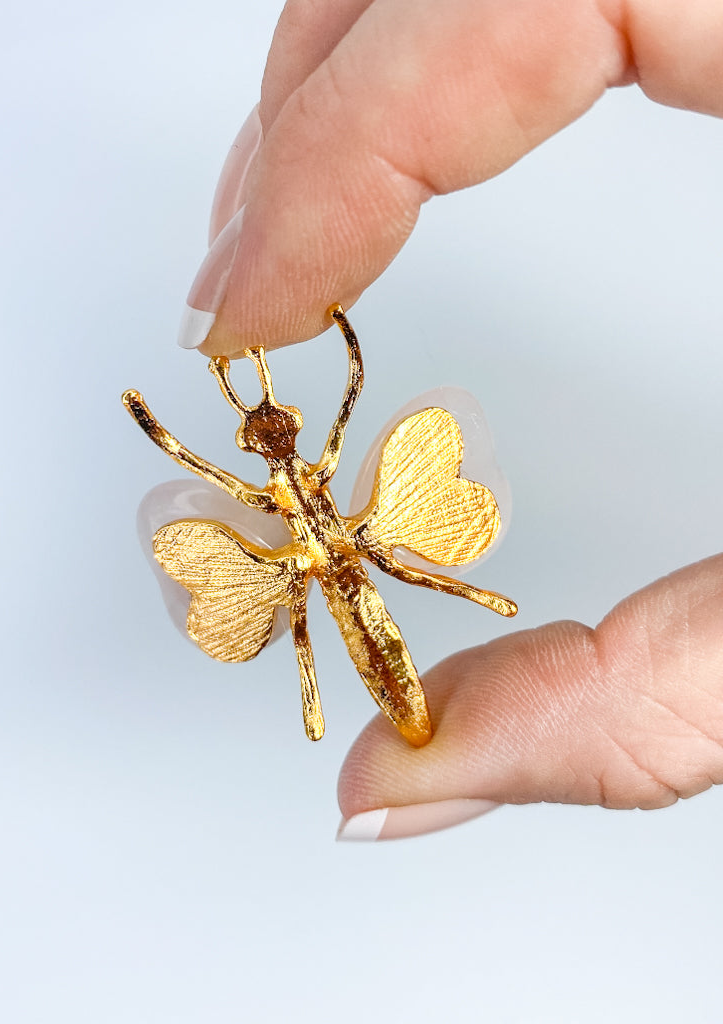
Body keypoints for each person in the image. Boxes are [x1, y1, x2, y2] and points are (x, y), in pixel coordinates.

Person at [176, 0, 723, 840]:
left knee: (372, 589)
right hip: (343, 563)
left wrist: (347, 359)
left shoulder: (305, 476)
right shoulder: (297, 490)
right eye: (267, 437)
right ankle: (330, 682)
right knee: (317, 622)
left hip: (352, 555)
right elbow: (279, 449)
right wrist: (170, 439)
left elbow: (346, 406)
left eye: (270, 431)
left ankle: (409, 626)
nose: (276, 440)